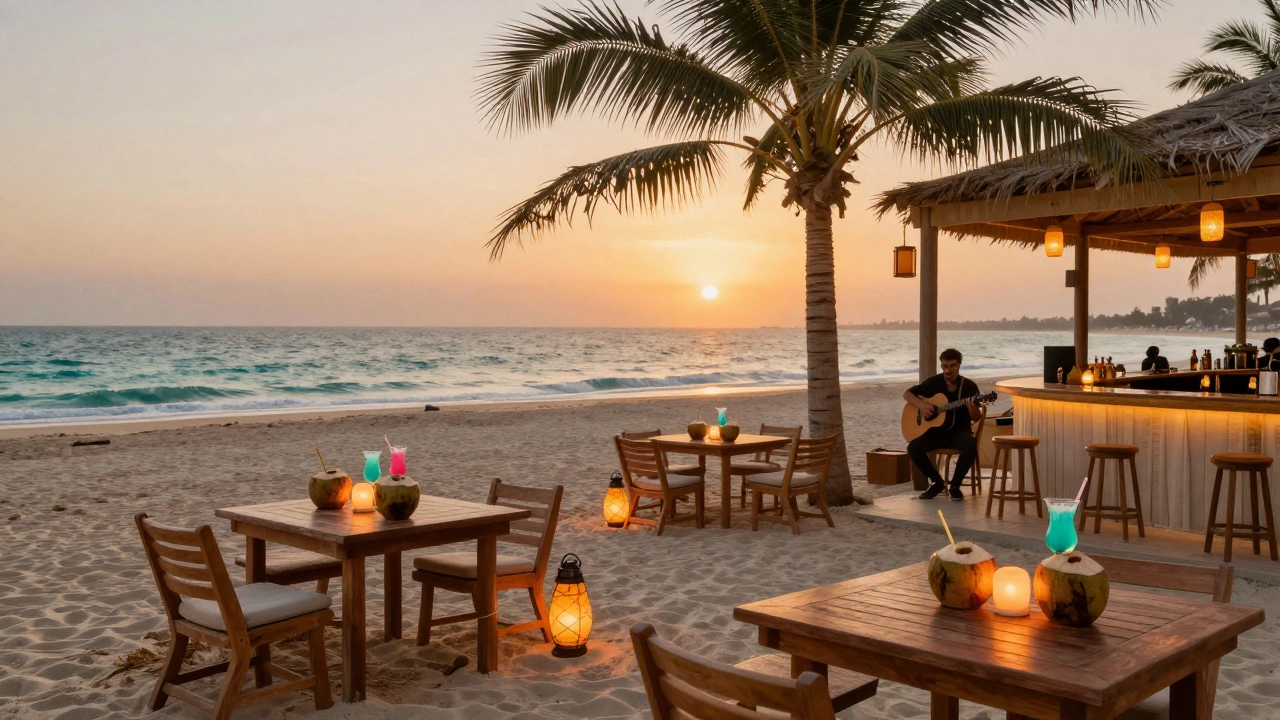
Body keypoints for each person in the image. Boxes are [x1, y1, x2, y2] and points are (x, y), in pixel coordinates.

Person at [903, 348, 982, 501]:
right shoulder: (934, 382)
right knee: (913, 447)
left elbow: (976, 416)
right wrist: (922, 405)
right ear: (941, 366)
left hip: (959, 431)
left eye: (953, 366)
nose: (948, 370)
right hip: (935, 432)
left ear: (959, 365)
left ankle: (955, 486)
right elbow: (907, 394)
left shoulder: (969, 387)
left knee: (970, 445)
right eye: (945, 366)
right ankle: (937, 482)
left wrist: (971, 405)